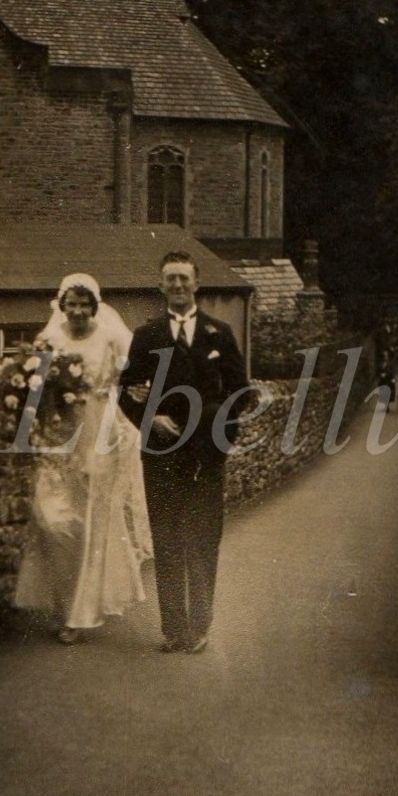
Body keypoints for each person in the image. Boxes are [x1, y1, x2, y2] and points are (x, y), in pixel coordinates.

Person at [119, 251, 249, 654]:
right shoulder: (147, 335)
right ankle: (174, 630)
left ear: (197, 283)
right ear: (161, 286)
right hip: (161, 452)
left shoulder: (219, 333)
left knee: (204, 537)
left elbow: (240, 392)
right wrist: (149, 419)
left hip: (206, 454)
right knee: (168, 537)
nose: (177, 285)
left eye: (184, 279)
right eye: (170, 279)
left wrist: (214, 422)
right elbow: (123, 391)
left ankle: (200, 627)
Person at [13, 274, 151, 643]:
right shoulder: (50, 339)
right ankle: (61, 603)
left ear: (95, 306)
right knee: (51, 517)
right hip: (58, 434)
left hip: (97, 433)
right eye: (70, 304)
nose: (76, 311)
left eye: (83, 304)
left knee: (91, 520)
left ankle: (79, 613)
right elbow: (32, 383)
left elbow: (137, 371)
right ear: (61, 306)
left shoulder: (110, 336)